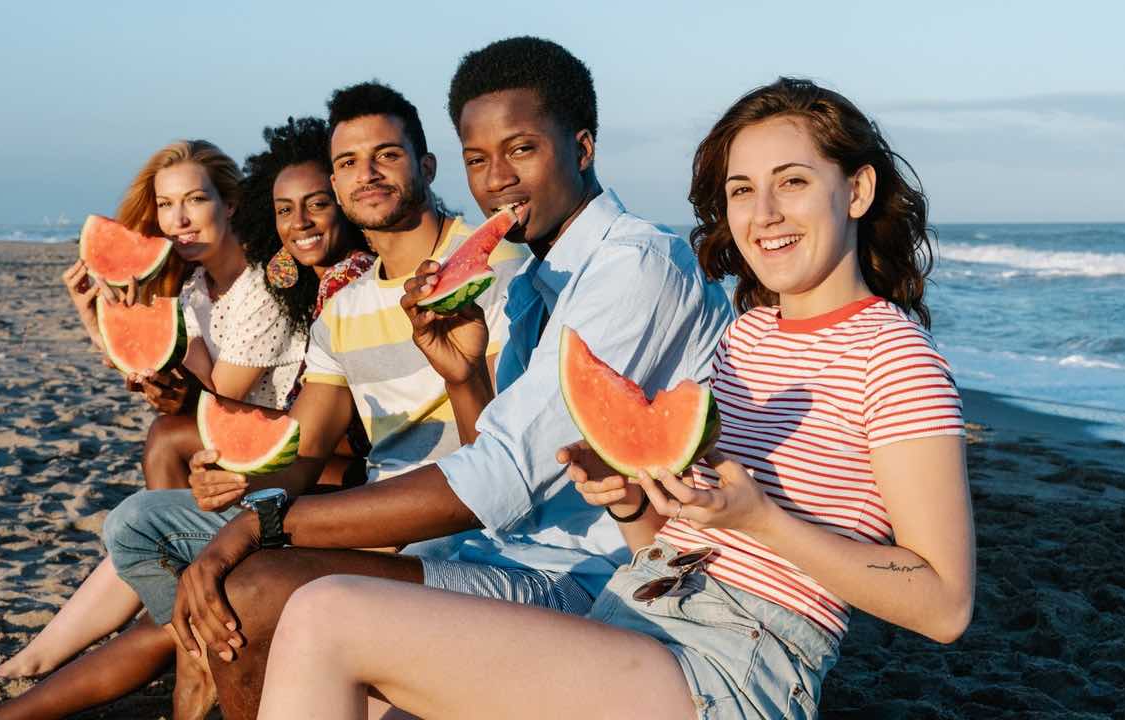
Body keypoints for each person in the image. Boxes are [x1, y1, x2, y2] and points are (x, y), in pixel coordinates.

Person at [254, 77, 977, 720]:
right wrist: (630, 504)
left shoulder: (896, 357)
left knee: (325, 614)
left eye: (791, 182)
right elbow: (676, 543)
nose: (764, 214)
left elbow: (944, 605)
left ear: (855, 190)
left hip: (735, 665)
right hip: (637, 609)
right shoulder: (749, 336)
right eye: (741, 190)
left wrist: (764, 521)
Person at [136, 37, 732, 718]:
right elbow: (513, 471)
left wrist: (261, 523)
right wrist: (464, 377)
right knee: (242, 580)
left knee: (256, 584)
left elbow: (502, 477)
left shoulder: (636, 266)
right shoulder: (541, 279)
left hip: (590, 579)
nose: (496, 180)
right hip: (507, 554)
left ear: (583, 148)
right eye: (478, 160)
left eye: (522, 149)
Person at [0, 127, 377, 718]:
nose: (177, 219)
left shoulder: (264, 283)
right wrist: (100, 317)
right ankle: (73, 641)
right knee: (163, 449)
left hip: (310, 459)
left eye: (194, 200)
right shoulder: (193, 288)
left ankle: (135, 625)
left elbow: (218, 397)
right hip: (256, 454)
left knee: (166, 442)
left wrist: (145, 327)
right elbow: (164, 378)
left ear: (230, 204)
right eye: (165, 205)